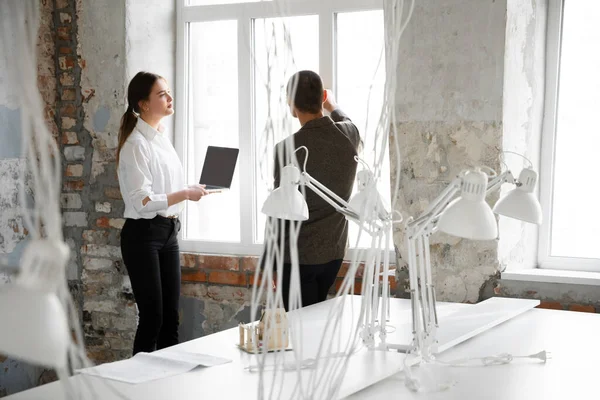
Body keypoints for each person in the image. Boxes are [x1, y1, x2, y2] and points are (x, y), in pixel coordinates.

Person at [117, 71, 209, 355]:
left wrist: (189, 188)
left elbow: (165, 187)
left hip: (169, 231)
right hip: (143, 235)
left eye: (168, 92)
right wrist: (184, 194)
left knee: (170, 317)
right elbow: (143, 201)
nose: (170, 98)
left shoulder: (160, 138)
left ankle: (170, 385)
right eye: (162, 94)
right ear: (143, 104)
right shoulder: (135, 145)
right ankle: (138, 388)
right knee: (152, 318)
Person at [274, 70, 361, 311]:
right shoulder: (349, 134)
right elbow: (348, 121)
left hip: (298, 256)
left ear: (291, 104)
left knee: (298, 331)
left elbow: (279, 210)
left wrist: (273, 262)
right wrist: (333, 106)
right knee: (315, 322)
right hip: (334, 252)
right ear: (322, 96)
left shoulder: (286, 148)